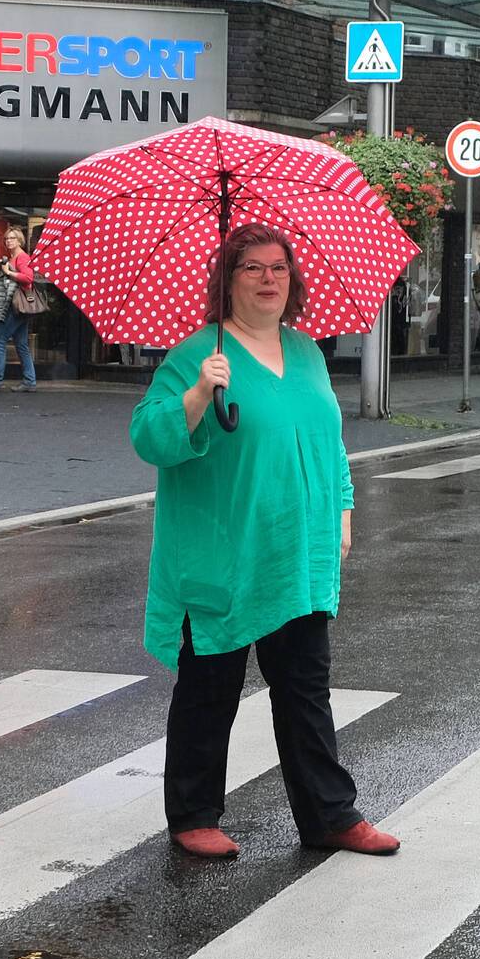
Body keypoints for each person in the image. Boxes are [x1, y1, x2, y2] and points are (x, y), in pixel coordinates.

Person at [129, 222, 398, 862]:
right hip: (220, 549)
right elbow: (149, 438)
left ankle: (329, 813)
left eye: (279, 267)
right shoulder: (198, 353)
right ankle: (193, 813)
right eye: (252, 267)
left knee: (305, 685)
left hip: (296, 549)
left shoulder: (306, 352)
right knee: (210, 685)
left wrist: (343, 510)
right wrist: (196, 393)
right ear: (227, 280)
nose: (269, 279)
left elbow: (328, 441)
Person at [0, 226, 38, 393]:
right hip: (16, 306)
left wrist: (8, 272)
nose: (9, 241)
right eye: (7, 239)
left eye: (12, 238)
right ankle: (29, 381)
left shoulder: (21, 258)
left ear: (20, 240)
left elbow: (28, 278)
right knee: (21, 344)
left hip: (16, 306)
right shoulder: (13, 257)